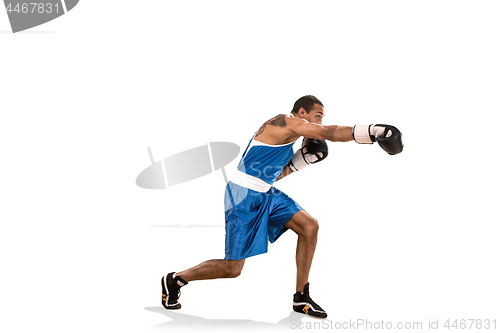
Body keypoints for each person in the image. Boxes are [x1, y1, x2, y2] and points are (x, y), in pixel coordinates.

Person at [161, 95, 403, 318]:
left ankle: (301, 298)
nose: (320, 122)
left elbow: (273, 175)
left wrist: (302, 161)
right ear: (302, 112)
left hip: (266, 192)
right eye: (318, 116)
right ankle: (175, 279)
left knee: (310, 227)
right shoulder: (285, 121)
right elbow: (329, 132)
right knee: (232, 269)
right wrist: (374, 132)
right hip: (242, 196)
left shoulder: (287, 136)